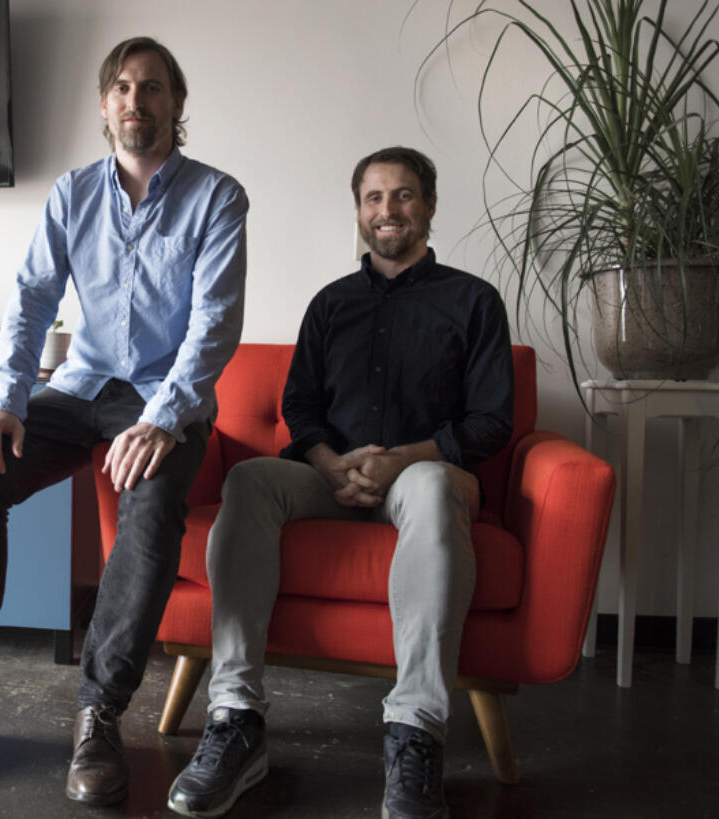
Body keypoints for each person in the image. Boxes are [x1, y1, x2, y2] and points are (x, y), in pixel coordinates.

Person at [0, 36, 248, 806]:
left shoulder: (218, 197)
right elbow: (31, 301)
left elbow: (214, 322)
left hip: (160, 397)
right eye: (122, 88)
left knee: (149, 500)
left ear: (177, 105)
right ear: (105, 105)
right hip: (80, 386)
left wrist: (166, 416)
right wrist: (3, 402)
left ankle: (99, 713)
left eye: (151, 88)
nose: (135, 100)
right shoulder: (73, 195)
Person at [166, 146, 513, 819]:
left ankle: (415, 730)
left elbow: (492, 420)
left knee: (435, 488)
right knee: (250, 480)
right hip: (332, 475)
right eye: (375, 197)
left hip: (426, 480)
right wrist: (328, 462)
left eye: (404, 195)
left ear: (430, 207)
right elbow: (299, 407)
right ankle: (236, 715)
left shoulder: (474, 301)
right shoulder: (330, 305)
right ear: (359, 209)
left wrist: (402, 460)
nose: (389, 211)